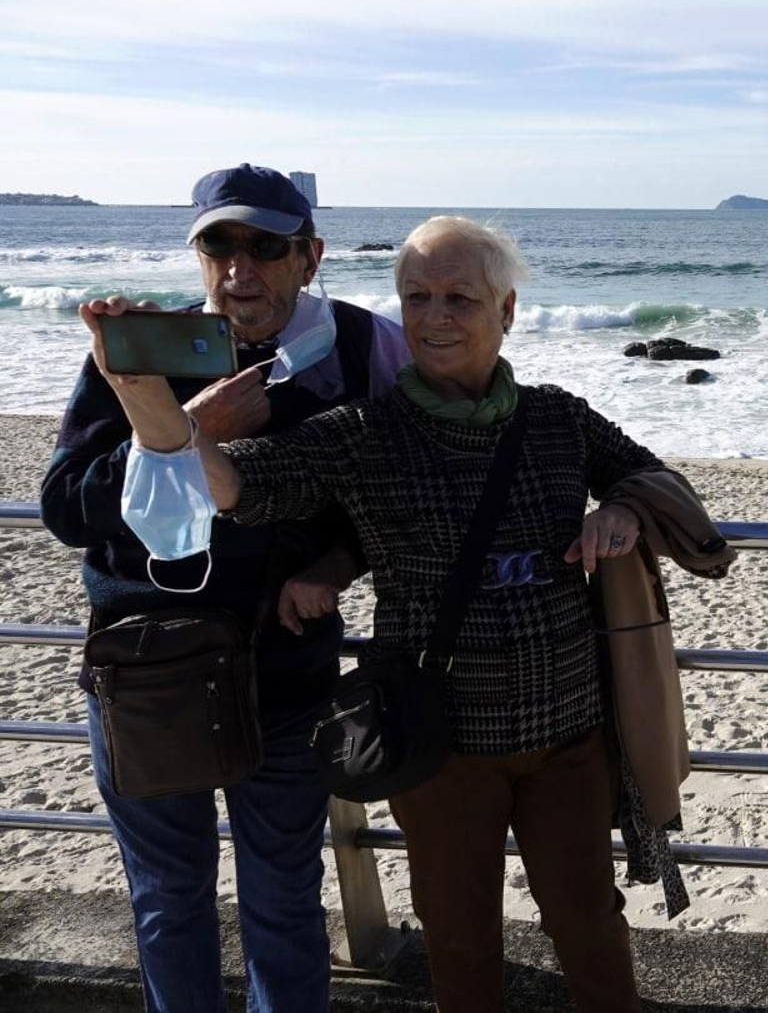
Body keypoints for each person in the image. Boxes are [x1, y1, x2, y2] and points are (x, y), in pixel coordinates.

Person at [77, 215, 729, 1013]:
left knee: (589, 922)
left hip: (567, 733)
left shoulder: (558, 417)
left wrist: (622, 509)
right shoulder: (366, 431)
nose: (435, 317)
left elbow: (653, 478)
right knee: (458, 938)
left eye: (459, 297)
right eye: (416, 297)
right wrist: (153, 408)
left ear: (508, 311)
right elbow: (241, 483)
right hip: (438, 743)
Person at [40, 163, 410, 1012]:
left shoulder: (355, 348)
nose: (241, 267)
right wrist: (188, 426)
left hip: (285, 673)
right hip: (150, 674)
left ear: (309, 256)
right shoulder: (139, 350)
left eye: (266, 246)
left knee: (282, 898)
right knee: (170, 899)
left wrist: (336, 564)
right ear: (197, 256)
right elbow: (66, 507)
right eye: (219, 244)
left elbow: (396, 487)